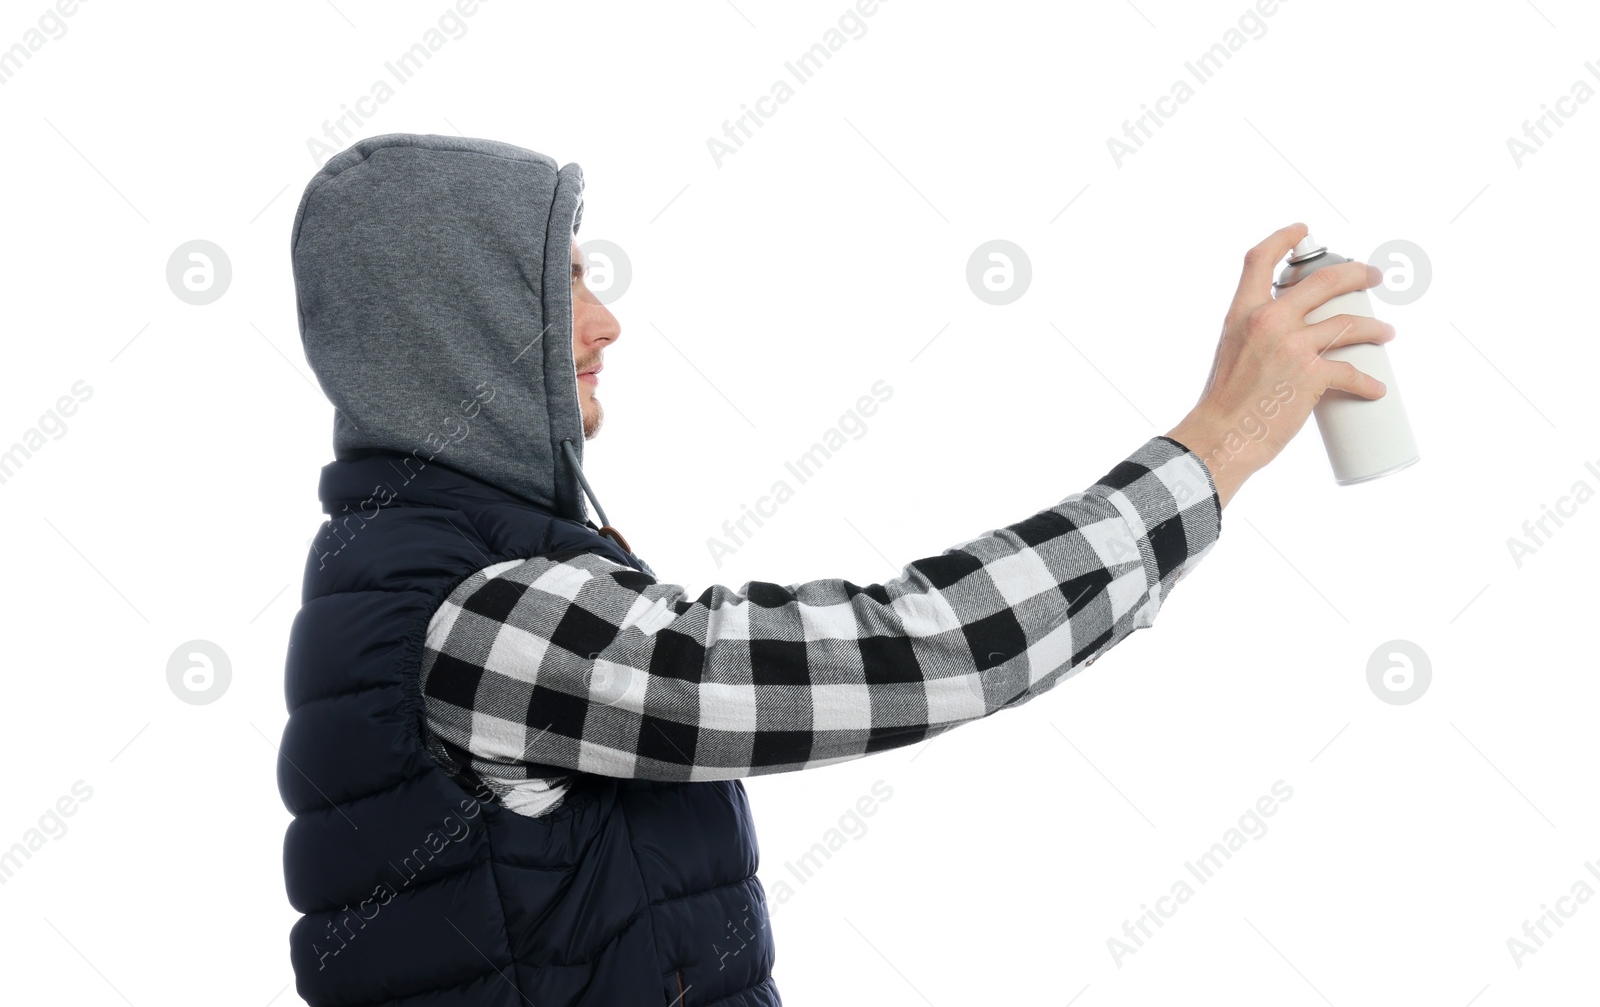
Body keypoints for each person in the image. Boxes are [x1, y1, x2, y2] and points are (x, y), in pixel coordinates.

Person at [277, 132, 1395, 1007]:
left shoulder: (456, 573)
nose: (606, 320)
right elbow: (915, 650)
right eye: (558, 280)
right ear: (451, 320)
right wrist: (1219, 444)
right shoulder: (481, 618)